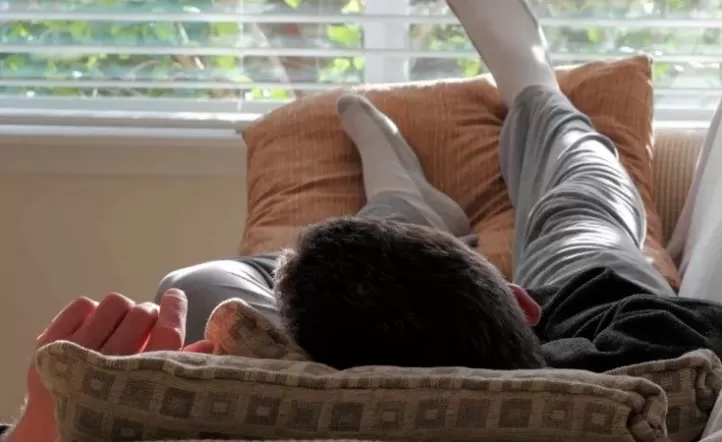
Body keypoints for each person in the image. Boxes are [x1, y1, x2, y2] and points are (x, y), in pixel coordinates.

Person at [6, 0, 722, 440]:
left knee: (205, 287)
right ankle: (534, 86)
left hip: (492, 324)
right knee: (583, 209)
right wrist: (492, 305)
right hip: (581, 320)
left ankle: (404, 210)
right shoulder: (651, 360)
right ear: (522, 301)